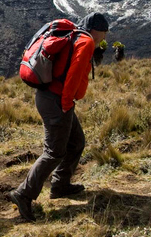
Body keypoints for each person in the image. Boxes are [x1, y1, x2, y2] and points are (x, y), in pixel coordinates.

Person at [9, 12, 109, 221]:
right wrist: (66, 104)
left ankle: (60, 185)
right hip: (57, 101)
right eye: (104, 32)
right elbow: (73, 75)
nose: (105, 37)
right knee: (54, 152)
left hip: (50, 97)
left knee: (76, 142)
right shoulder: (86, 41)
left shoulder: (74, 36)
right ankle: (23, 194)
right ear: (96, 30)